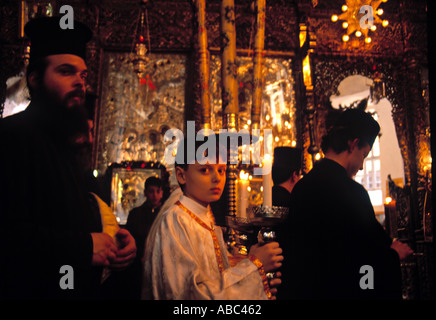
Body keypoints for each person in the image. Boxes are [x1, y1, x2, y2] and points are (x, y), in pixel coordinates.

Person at [0, 16, 136, 299]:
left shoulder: (69, 145)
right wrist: (84, 248)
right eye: (65, 72)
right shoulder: (11, 137)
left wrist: (116, 242)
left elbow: (73, 217)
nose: (79, 83)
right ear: (35, 79)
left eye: (83, 75)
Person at [278, 108, 413, 300]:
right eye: (364, 155)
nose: (362, 165)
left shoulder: (301, 188)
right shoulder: (353, 194)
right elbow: (366, 264)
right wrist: (394, 255)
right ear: (353, 144)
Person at [142, 135, 284, 299]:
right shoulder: (176, 221)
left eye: (221, 170)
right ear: (181, 175)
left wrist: (256, 281)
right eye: (204, 170)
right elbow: (188, 296)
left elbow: (213, 275)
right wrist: (253, 268)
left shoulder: (202, 217)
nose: (217, 178)